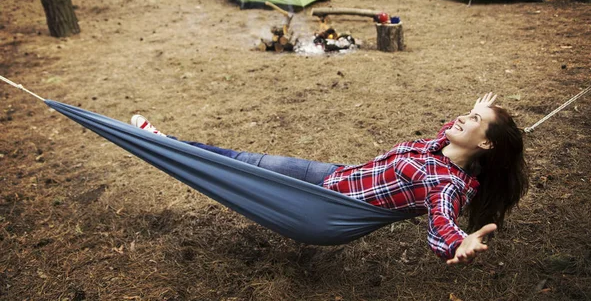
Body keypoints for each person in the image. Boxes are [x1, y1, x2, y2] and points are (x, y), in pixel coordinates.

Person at [131, 93, 529, 265]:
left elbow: (442, 220)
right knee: (241, 159)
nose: (461, 118)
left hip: (324, 206)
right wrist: (478, 116)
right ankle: (170, 143)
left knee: (242, 164)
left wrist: (458, 242)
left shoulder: (446, 184)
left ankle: (168, 145)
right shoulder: (440, 146)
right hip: (333, 177)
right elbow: (450, 129)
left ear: (488, 145)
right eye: (467, 114)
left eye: (473, 120)